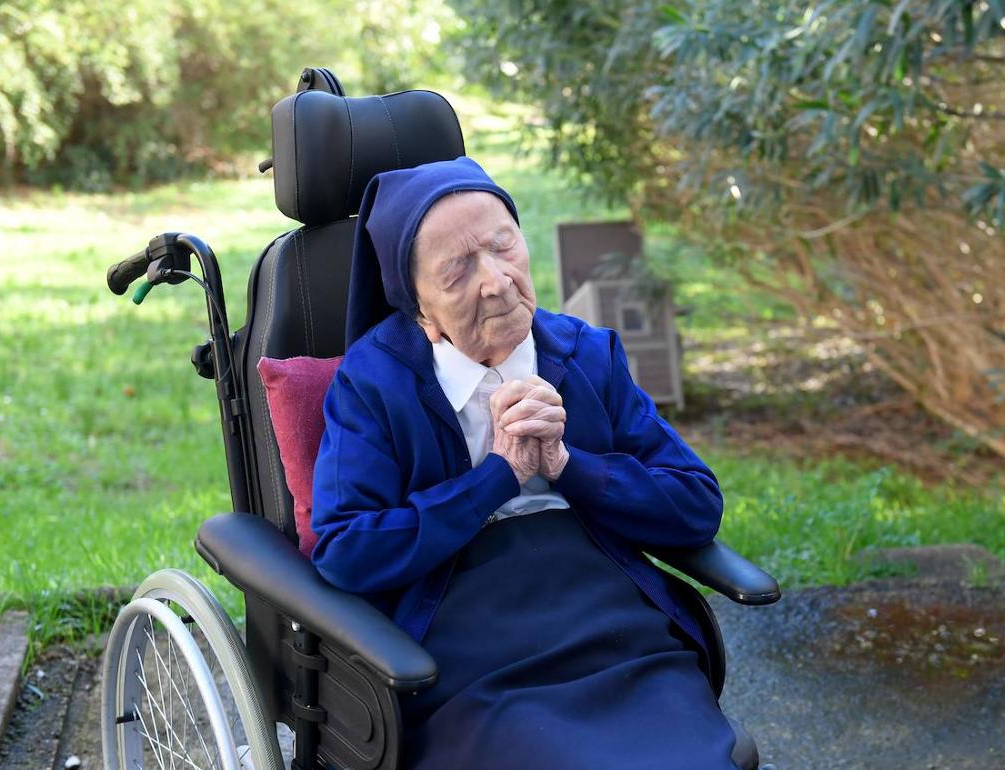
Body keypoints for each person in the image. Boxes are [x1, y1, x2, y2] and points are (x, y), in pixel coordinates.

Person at [310, 157, 738, 769]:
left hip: (609, 622)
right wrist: (495, 479)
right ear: (420, 309)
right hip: (466, 635)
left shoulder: (586, 353)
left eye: (503, 246)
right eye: (458, 269)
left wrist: (568, 465)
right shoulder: (373, 383)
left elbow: (696, 504)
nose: (497, 281)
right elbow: (347, 548)